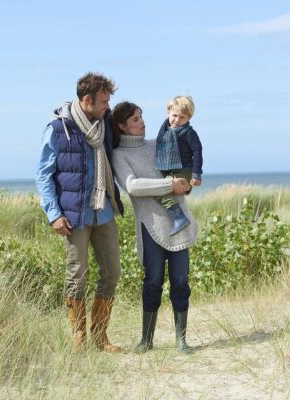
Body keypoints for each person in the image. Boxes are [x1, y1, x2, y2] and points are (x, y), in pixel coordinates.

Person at [35, 72, 125, 352]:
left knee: (112, 272)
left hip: (105, 212)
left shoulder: (105, 125)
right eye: (103, 102)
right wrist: (54, 214)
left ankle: (100, 336)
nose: (107, 107)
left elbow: (130, 136)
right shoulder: (57, 129)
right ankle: (80, 339)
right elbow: (43, 175)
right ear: (87, 100)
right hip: (74, 217)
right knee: (77, 276)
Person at [111, 101, 199, 353]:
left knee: (181, 281)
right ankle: (146, 340)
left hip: (178, 223)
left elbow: (182, 165)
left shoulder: (157, 143)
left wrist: (186, 182)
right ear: (122, 126)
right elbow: (133, 186)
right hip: (151, 226)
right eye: (136, 119)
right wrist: (168, 185)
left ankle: (181, 340)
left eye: (142, 117)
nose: (142, 122)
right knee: (152, 282)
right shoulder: (119, 155)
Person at [154, 95, 203, 236]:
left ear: (189, 118)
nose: (177, 120)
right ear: (168, 112)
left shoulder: (189, 133)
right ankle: (177, 218)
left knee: (161, 191)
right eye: (174, 115)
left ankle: (179, 218)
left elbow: (197, 152)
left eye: (182, 117)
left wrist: (196, 175)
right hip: (168, 170)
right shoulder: (164, 131)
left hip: (184, 169)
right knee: (159, 190)